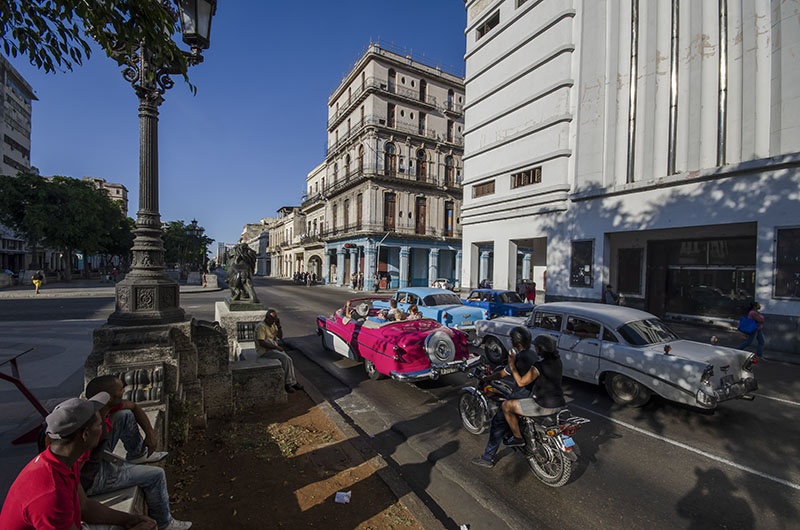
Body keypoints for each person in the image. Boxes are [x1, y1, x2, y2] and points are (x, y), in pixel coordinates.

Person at [0, 393, 156, 530]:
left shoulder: (64, 460)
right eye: (98, 424)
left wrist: (130, 520)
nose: (102, 428)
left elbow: (84, 507)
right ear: (85, 435)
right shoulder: (50, 494)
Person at [81, 376, 190, 530]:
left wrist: (150, 434)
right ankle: (165, 523)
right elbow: (75, 472)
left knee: (124, 415)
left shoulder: (103, 407)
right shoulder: (89, 429)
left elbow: (133, 406)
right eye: (120, 390)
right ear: (109, 397)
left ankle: (137, 454)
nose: (124, 391)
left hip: (98, 456)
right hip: (93, 477)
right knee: (156, 475)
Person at [472, 327, 539, 468]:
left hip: (522, 396)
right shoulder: (533, 354)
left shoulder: (518, 358)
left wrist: (487, 378)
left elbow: (503, 374)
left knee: (497, 422)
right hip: (535, 395)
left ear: (515, 342)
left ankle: (487, 457)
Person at [501, 334, 566, 447]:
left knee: (506, 406)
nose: (535, 349)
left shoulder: (539, 366)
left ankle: (517, 437)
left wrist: (512, 365)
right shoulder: (558, 362)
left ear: (541, 349)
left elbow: (521, 382)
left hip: (544, 406)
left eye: (536, 347)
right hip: (560, 404)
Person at [256, 309, 303, 393]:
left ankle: (293, 381)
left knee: (289, 359)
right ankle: (288, 383)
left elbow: (280, 336)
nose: (273, 321)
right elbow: (261, 342)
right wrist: (276, 347)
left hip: (273, 347)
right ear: (267, 318)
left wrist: (278, 325)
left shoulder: (273, 325)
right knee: (285, 359)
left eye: (275, 319)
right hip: (264, 350)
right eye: (272, 319)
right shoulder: (261, 326)